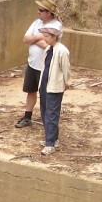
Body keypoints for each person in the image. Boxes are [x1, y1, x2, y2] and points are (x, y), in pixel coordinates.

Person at [15, 0, 63, 128]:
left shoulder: (56, 26)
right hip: (32, 64)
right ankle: (27, 116)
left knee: (45, 94)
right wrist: (38, 37)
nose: (38, 12)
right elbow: (25, 39)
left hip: (45, 67)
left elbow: (48, 45)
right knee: (31, 90)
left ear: (49, 13)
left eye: (41, 10)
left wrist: (33, 38)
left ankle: (48, 120)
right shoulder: (37, 23)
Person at [37, 26, 70, 155]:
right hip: (45, 84)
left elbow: (66, 69)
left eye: (46, 36)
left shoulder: (62, 51)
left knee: (52, 114)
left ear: (54, 37)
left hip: (54, 87)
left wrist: (67, 82)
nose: (44, 39)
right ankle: (52, 138)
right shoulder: (48, 49)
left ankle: (50, 144)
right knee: (45, 111)